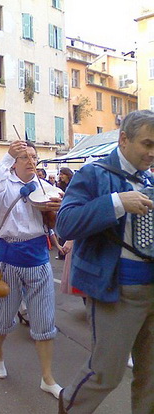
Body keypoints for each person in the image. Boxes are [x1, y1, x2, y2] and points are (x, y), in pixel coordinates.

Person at [56, 109, 154, 414]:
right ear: (124, 139)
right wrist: (116, 203)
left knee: (151, 378)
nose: (152, 153)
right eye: (147, 144)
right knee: (105, 373)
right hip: (115, 290)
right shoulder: (93, 173)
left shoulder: (149, 179)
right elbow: (65, 224)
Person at [0, 141, 63, 398]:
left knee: (45, 320)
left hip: (38, 259)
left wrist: (57, 211)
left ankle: (47, 377)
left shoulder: (46, 187)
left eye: (33, 157)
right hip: (7, 260)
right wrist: (7, 157)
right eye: (24, 157)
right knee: (3, 317)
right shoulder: (2, 185)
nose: (30, 160)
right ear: (15, 161)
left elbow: (61, 218)